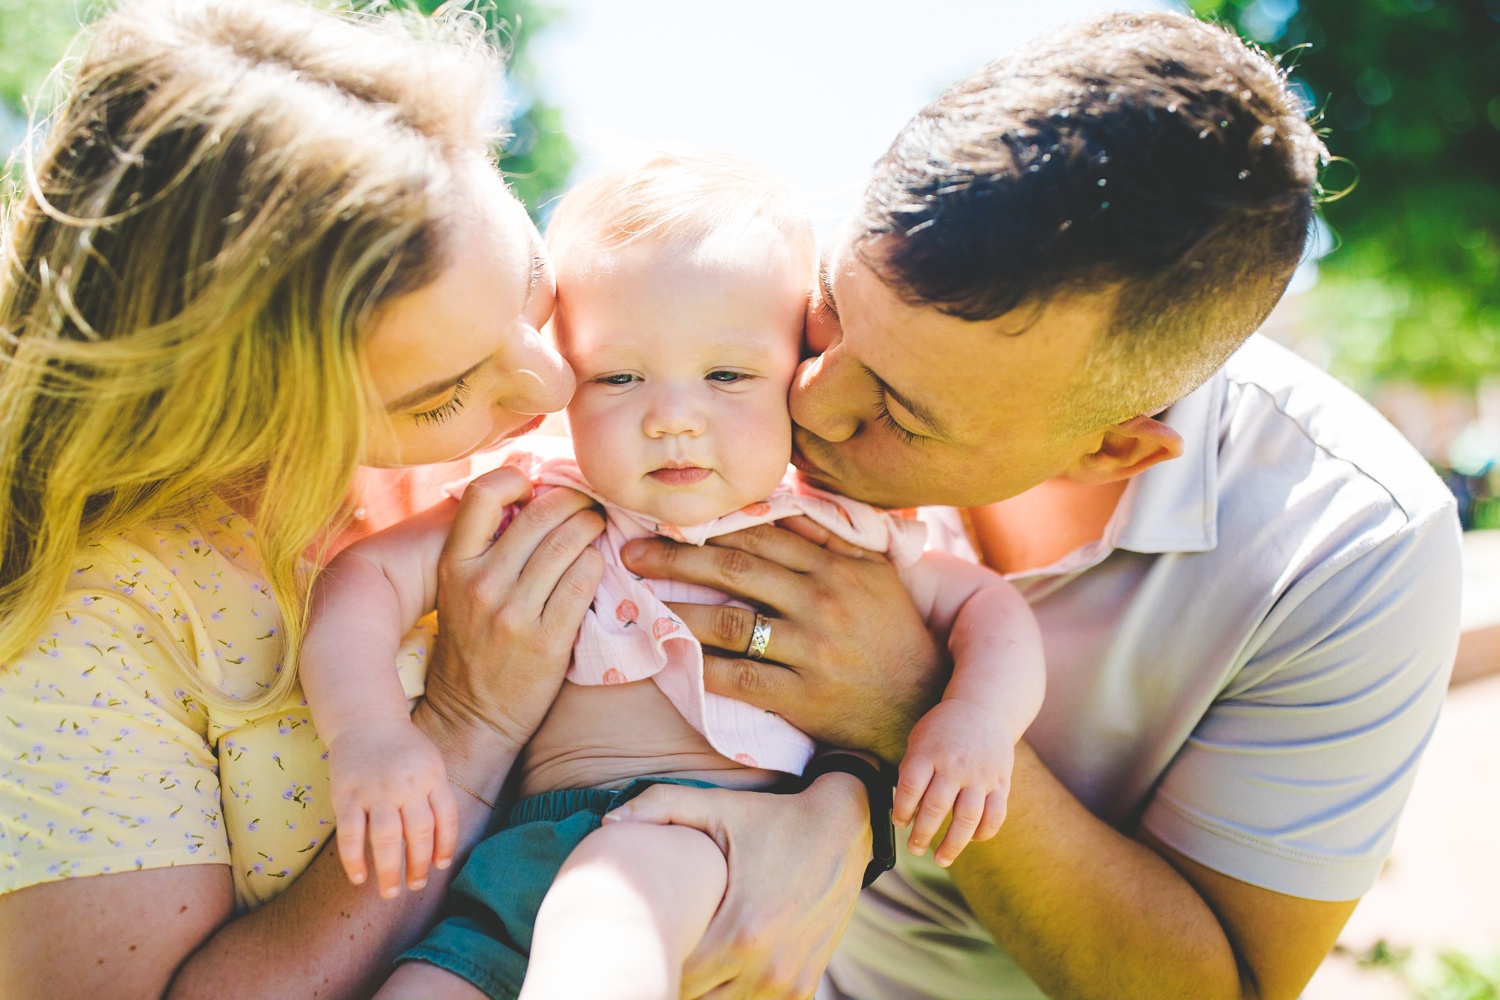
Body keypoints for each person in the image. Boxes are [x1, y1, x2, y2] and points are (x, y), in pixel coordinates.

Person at [603, 12, 1464, 1000]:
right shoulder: (746, 323)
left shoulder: (1351, 548)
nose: (810, 401)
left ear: (1115, 447)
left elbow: (1214, 988)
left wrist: (909, 706)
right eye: (833, 309)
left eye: (898, 410)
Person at [297, 150, 1044, 1000]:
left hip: (706, 838)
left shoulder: (829, 523)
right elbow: (362, 582)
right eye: (618, 377)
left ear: (795, 374)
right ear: (563, 379)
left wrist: (977, 720)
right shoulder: (534, 499)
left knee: (611, 901)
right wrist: (366, 733)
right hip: (514, 860)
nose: (674, 419)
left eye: (727, 375)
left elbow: (989, 607)